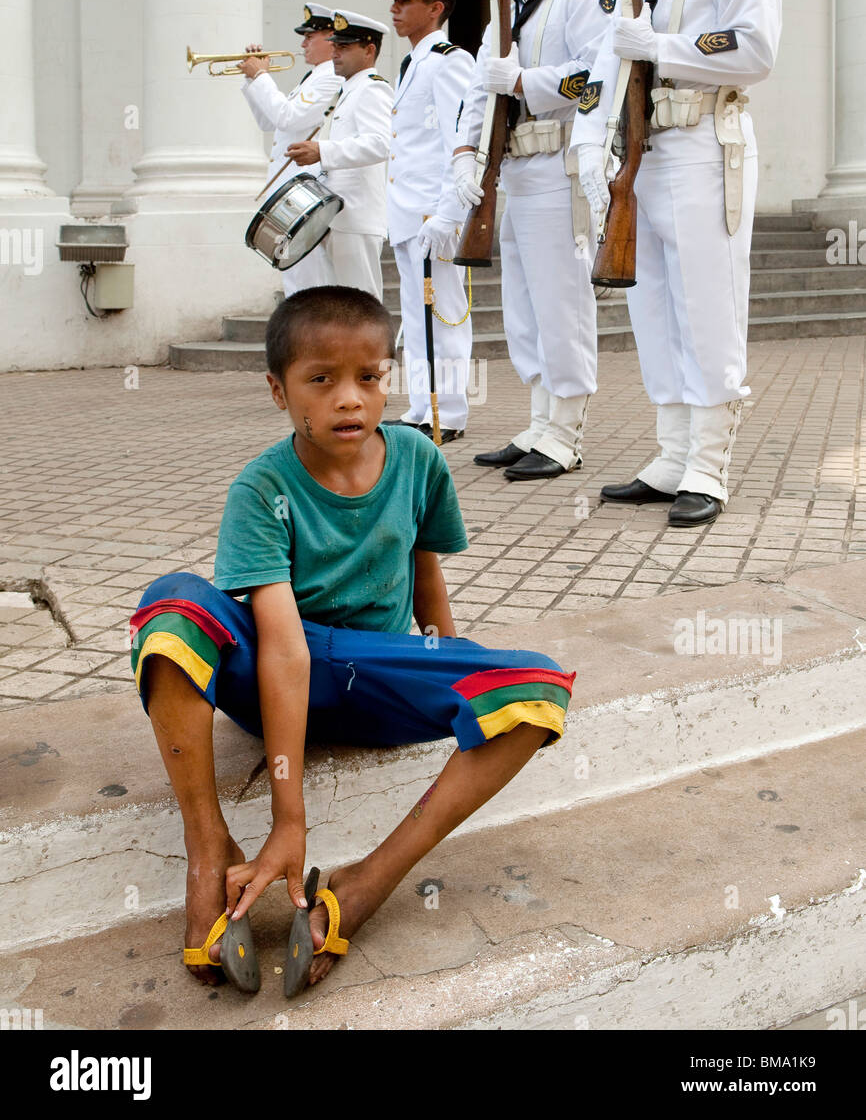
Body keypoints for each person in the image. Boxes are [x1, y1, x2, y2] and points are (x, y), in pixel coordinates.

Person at [129, 287, 574, 994]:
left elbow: (425, 578)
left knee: (537, 688)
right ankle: (208, 847)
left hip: (373, 679)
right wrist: (288, 817)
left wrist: (449, 672)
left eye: (369, 377)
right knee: (171, 605)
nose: (350, 400)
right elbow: (281, 648)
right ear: (278, 391)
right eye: (322, 380)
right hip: (282, 673)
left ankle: (367, 882)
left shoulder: (420, 460)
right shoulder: (262, 488)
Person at [571, 0, 791, 526]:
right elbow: (610, 65)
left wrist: (659, 44)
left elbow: (754, 50)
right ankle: (671, 455)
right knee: (655, 309)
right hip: (645, 151)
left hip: (704, 141)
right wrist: (591, 147)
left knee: (707, 307)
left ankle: (709, 466)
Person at [453, 0, 614, 480]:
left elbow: (597, 78)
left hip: (557, 163)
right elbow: (480, 85)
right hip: (513, 168)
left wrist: (523, 81)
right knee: (522, 305)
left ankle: (567, 432)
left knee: (560, 301)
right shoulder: (510, 4)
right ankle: (540, 419)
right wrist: (466, 152)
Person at [384, 0, 477, 443]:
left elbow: (459, 142)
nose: (396, 9)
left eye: (406, 0)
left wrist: (449, 212)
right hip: (407, 213)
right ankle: (422, 405)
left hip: (432, 213)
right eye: (395, 1)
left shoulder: (448, 61)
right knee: (416, 315)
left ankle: (451, 411)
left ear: (435, 7)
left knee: (442, 311)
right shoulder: (411, 64)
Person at [285, 12, 393, 300]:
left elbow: (382, 143)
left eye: (344, 47)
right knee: (339, 310)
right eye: (334, 46)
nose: (334, 53)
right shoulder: (348, 90)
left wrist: (322, 151)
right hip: (335, 216)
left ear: (369, 50)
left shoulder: (372, 87)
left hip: (356, 217)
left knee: (362, 306)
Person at [240, 3, 341, 296]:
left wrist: (261, 77)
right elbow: (268, 121)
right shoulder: (313, 77)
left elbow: (288, 116)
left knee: (310, 283)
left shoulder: (331, 76)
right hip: (289, 194)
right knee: (295, 281)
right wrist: (251, 79)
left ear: (331, 37)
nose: (303, 43)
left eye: (310, 36)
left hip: (306, 191)